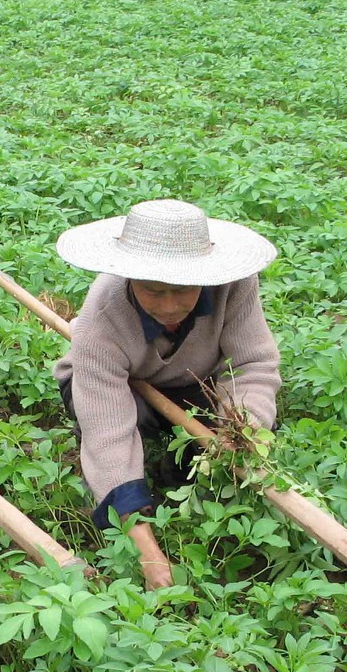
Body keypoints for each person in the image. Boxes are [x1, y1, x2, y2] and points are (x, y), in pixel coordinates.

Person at [52, 199, 280, 589]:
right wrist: (148, 553)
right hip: (111, 386)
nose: (170, 306)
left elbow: (254, 365)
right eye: (154, 292)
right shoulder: (100, 322)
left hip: (191, 380)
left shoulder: (234, 285)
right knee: (126, 429)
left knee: (220, 445)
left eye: (183, 290)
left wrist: (244, 424)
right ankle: (135, 496)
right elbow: (109, 437)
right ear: (129, 277)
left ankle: (181, 464)